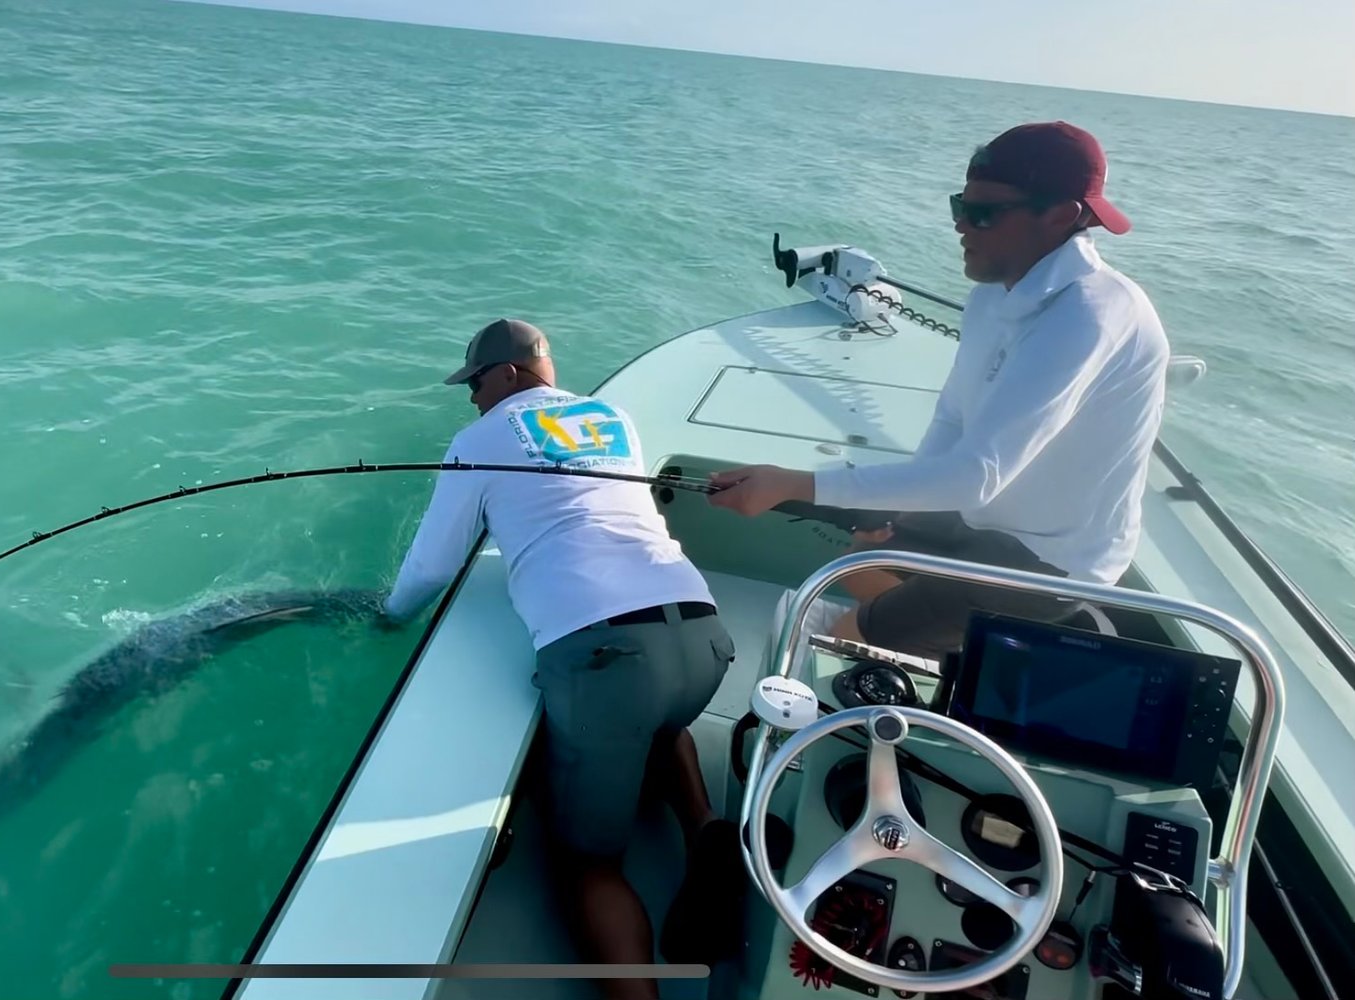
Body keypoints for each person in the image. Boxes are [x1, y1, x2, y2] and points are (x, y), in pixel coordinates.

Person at [710, 121, 1169, 659]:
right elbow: (953, 416)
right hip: (987, 520)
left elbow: (975, 477)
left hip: (1048, 562)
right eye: (960, 206)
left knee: (837, 638)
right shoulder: (996, 293)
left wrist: (791, 482)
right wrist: (897, 511)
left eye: (982, 214)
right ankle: (963, 647)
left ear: (1061, 216)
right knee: (863, 555)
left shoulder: (1090, 316)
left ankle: (957, 646)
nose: (960, 227)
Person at [381, 318, 744, 998]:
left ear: (511, 373)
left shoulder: (476, 439)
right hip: (703, 637)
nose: (469, 398)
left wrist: (388, 619)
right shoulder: (611, 416)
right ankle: (703, 830)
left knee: (587, 862)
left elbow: (432, 564)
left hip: (608, 659)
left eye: (475, 382)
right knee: (662, 724)